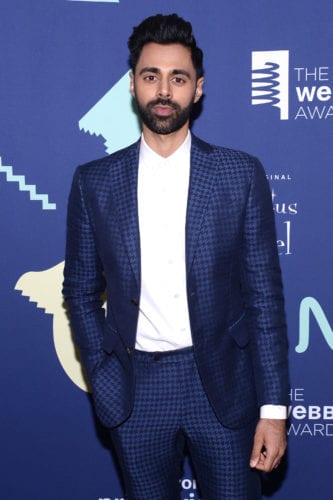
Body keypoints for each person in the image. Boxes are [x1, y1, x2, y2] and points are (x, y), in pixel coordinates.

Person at [63, 13, 289, 500]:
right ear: (132, 85)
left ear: (198, 88)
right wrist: (104, 377)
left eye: (178, 78)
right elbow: (79, 292)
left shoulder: (239, 175)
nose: (164, 90)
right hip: (136, 390)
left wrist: (273, 410)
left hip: (223, 387)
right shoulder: (94, 182)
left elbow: (265, 301)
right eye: (151, 76)